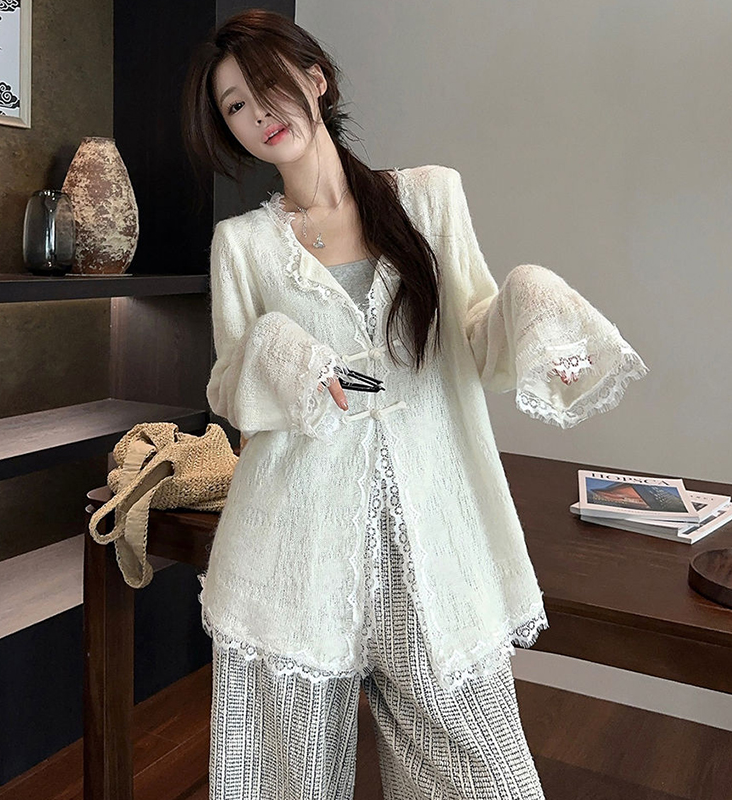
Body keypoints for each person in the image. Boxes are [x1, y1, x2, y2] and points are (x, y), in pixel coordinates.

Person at [181, 9, 649, 800]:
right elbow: (229, 387)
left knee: (487, 781)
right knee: (284, 785)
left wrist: (530, 302)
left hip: (433, 546)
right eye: (234, 106)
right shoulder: (243, 245)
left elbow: (477, 336)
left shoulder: (429, 198)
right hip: (293, 555)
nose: (257, 114)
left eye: (267, 87)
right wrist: (284, 357)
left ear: (316, 80)